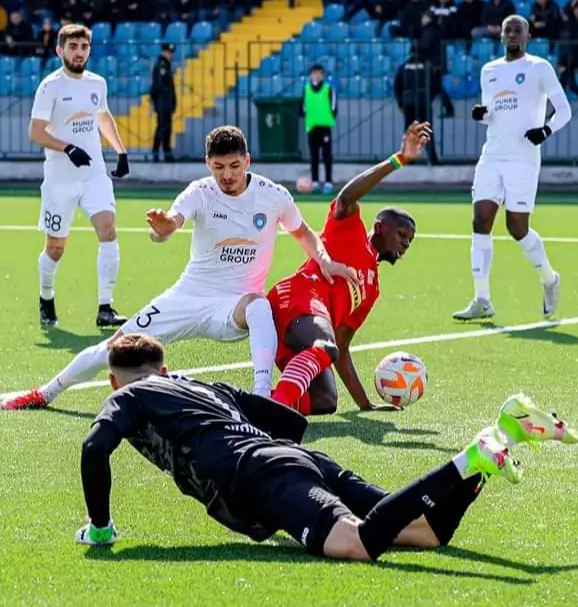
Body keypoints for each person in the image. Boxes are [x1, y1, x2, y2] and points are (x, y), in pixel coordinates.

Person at [75, 333, 578, 560]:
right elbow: (291, 422)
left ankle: (470, 460)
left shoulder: (133, 395)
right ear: (165, 369)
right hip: (295, 461)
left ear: (115, 384)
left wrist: (101, 528)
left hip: (264, 475)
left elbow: (96, 447)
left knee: (359, 544)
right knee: (423, 532)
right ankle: (493, 442)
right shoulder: (207, 388)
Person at [1, 126, 357, 411]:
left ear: (247, 160)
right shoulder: (200, 192)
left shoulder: (273, 195)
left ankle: (262, 399)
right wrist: (164, 228)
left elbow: (303, 232)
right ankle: (44, 393)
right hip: (187, 296)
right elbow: (172, 221)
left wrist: (325, 261)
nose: (227, 175)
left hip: (232, 306)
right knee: (115, 346)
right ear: (208, 164)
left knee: (260, 304)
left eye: (234, 166)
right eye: (219, 168)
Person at [267, 123, 428, 416]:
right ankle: (273, 410)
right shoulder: (349, 232)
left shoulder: (372, 288)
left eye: (410, 240)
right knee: (324, 344)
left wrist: (365, 405)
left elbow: (341, 347)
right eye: (402, 235)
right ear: (379, 228)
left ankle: (258, 399)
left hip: (314, 333)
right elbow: (346, 198)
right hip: (295, 301)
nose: (406, 244)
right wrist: (398, 159)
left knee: (325, 401)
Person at [453, 15, 571, 322]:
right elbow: (492, 113)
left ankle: (549, 278)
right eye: (508, 30)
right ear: (501, 36)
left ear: (528, 35)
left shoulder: (539, 68)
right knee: (481, 220)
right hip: (492, 155)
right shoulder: (489, 71)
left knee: (516, 227)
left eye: (519, 30)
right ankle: (482, 299)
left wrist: (545, 130)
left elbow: (565, 110)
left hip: (523, 158)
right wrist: (482, 115)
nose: (513, 34)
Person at [28, 23, 130, 330]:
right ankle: (46, 297)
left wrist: (121, 151)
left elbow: (102, 115)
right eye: (73, 47)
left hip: (94, 174)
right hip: (60, 180)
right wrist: (67, 147)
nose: (79, 52)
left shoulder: (97, 83)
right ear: (60, 50)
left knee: (108, 230)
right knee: (55, 249)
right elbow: (35, 132)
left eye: (84, 47)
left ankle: (106, 307)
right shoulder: (50, 86)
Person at [393, 51, 440, 165]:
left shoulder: (403, 67)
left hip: (408, 104)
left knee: (410, 132)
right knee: (426, 131)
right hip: (424, 103)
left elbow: (397, 86)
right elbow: (435, 85)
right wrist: (429, 98)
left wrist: (401, 103)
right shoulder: (427, 66)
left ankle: (409, 158)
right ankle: (432, 159)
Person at [300, 64, 337, 194]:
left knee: (327, 156)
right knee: (314, 156)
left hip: (325, 126)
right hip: (312, 127)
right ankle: (315, 183)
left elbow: (334, 108)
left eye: (319, 73)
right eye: (314, 73)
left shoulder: (328, 89)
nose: (316, 75)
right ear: (311, 75)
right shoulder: (306, 89)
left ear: (322, 75)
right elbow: (303, 107)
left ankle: (328, 183)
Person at [150, 43, 177, 164]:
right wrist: (157, 102)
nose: (170, 55)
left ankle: (166, 152)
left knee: (166, 128)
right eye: (168, 52)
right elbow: (157, 87)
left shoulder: (165, 65)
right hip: (163, 103)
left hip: (166, 103)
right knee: (162, 128)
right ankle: (158, 151)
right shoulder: (161, 66)